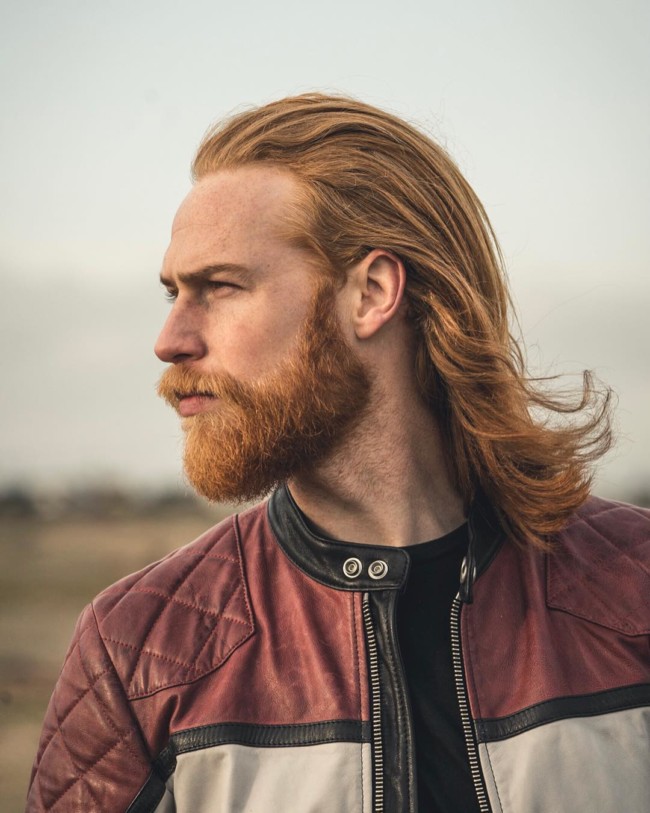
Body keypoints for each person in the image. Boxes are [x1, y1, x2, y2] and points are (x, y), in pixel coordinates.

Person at [27, 94, 649, 813]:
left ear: (372, 293)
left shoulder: (633, 591)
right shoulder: (139, 649)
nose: (170, 340)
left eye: (219, 287)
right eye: (173, 292)